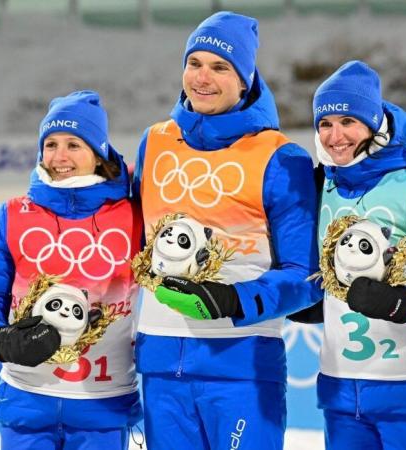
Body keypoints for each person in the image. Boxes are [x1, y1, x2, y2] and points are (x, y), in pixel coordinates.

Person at [131, 11, 318, 450]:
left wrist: (235, 300)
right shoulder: (154, 141)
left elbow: (306, 277)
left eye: (220, 67)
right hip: (161, 365)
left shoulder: (280, 157)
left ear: (244, 80)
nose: (203, 77)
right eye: (194, 63)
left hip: (241, 365)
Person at [0, 90, 143, 450]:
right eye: (51, 143)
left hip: (103, 406)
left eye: (74, 144)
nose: (59, 156)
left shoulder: (134, 217)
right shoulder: (11, 216)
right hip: (27, 403)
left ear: (99, 153)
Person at [304, 60, 406, 449]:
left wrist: (402, 303)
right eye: (325, 124)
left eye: (348, 121)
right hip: (344, 395)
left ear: (373, 125)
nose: (334, 135)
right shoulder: (322, 189)